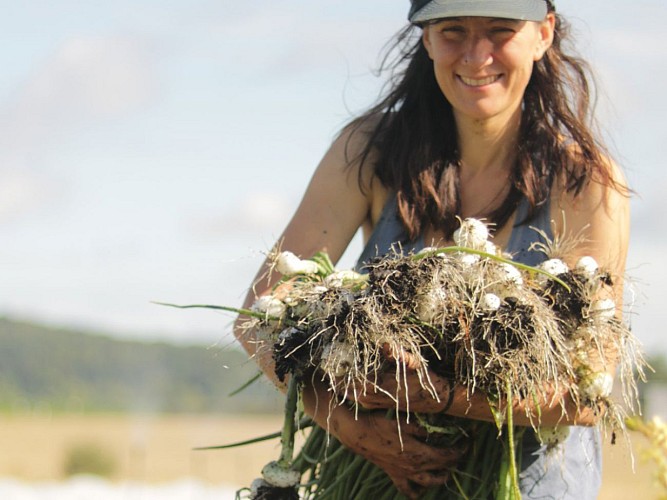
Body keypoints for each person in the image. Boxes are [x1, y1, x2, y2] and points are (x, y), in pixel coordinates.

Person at [235, 0, 629, 498]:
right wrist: (338, 418)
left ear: (544, 34)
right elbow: (260, 312)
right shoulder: (371, 152)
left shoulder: (584, 182)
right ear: (426, 39)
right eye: (453, 31)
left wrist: (444, 399)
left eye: (500, 30)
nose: (476, 54)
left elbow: (588, 389)